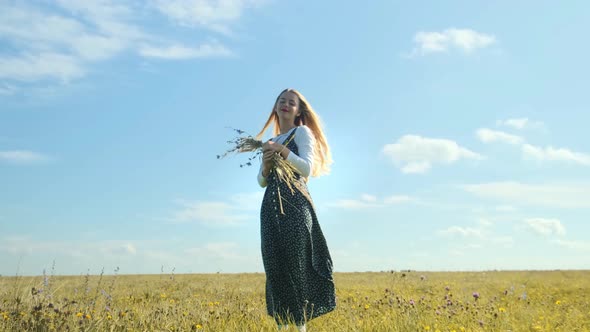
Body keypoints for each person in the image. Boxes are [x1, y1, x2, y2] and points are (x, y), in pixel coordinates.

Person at [256, 88, 336, 331]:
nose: (285, 105)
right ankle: (281, 325)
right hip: (271, 205)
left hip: (295, 203)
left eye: (291, 102)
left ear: (299, 110)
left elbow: (307, 169)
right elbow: (261, 180)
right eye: (282, 101)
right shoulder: (270, 142)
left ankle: (300, 326)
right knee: (274, 264)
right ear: (275, 107)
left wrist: (282, 152)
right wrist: (267, 164)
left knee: (297, 263)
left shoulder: (301, 132)